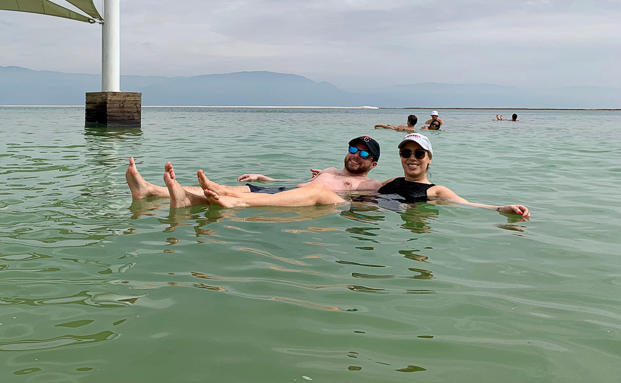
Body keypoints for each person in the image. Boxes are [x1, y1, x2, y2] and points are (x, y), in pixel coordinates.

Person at [189, 133, 530, 218]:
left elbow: (467, 205)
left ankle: (239, 206)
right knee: (320, 190)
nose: (411, 158)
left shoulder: (435, 189)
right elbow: (353, 189)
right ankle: (230, 197)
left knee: (321, 193)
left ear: (428, 159)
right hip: (361, 210)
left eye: (417, 154)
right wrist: (265, 179)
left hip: (379, 216)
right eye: (406, 153)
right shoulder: (388, 183)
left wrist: (501, 209)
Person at [125, 136, 384, 202]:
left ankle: (159, 193)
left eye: (363, 154)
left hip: (290, 199)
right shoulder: (330, 169)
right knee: (224, 188)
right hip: (283, 188)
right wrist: (264, 177)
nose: (355, 156)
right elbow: (299, 181)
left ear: (372, 164)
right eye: (353, 149)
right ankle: (151, 190)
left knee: (221, 193)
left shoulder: (369, 184)